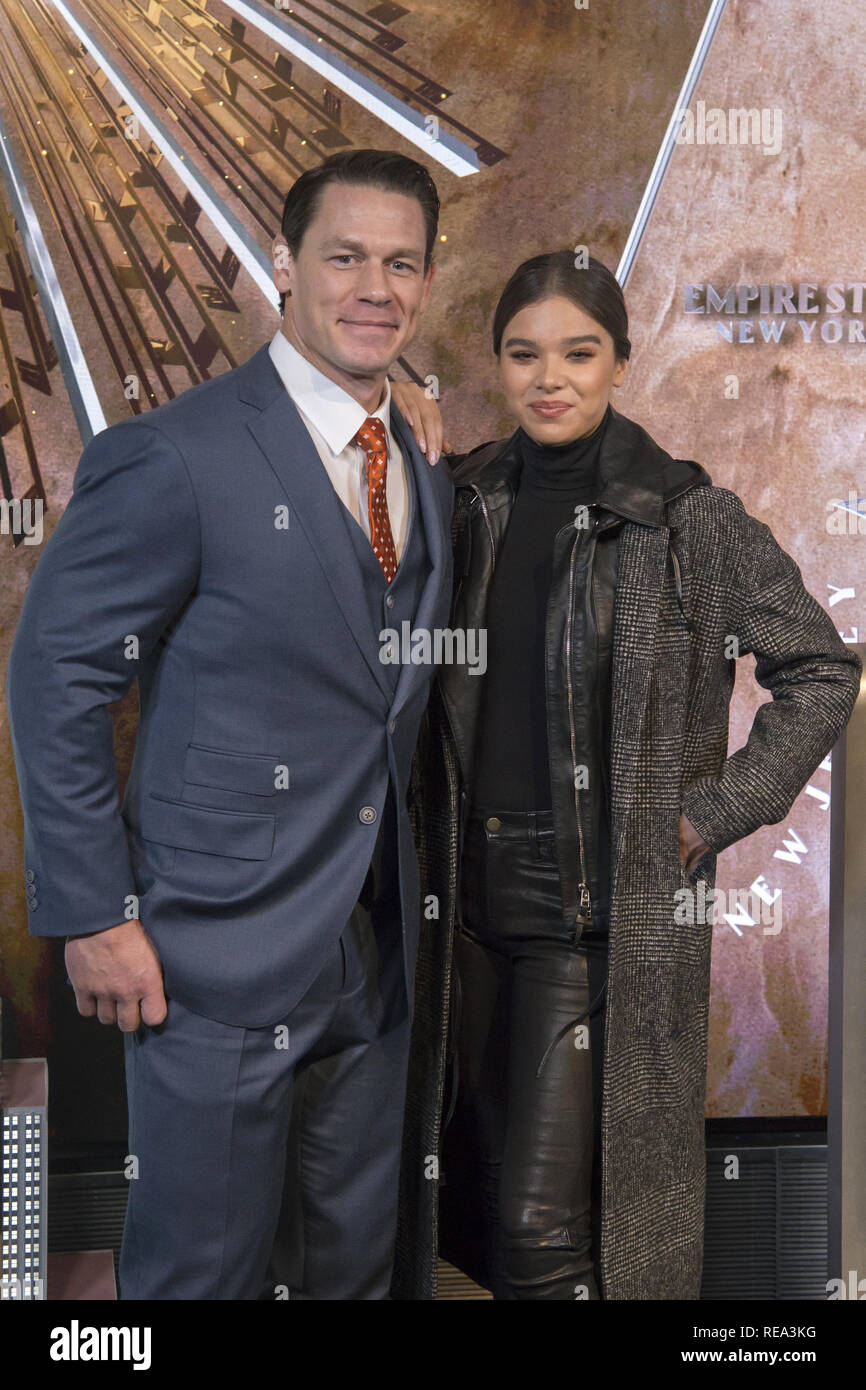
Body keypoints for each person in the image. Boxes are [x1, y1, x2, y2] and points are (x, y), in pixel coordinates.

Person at [5, 148, 455, 1300]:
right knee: (198, 1279)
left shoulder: (417, 460)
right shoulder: (176, 455)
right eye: (344, 256)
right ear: (280, 268)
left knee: (350, 1274)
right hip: (206, 953)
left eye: (400, 263)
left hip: (376, 947)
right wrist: (95, 911)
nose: (374, 286)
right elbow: (58, 678)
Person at [387, 250, 862, 1300]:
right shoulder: (465, 500)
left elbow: (821, 669)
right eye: (522, 354)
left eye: (576, 352)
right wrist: (393, 411)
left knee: (538, 1234)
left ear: (617, 362)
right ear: (498, 366)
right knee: (460, 1209)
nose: (547, 377)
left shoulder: (684, 520)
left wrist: (710, 812)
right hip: (464, 920)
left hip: (594, 925)